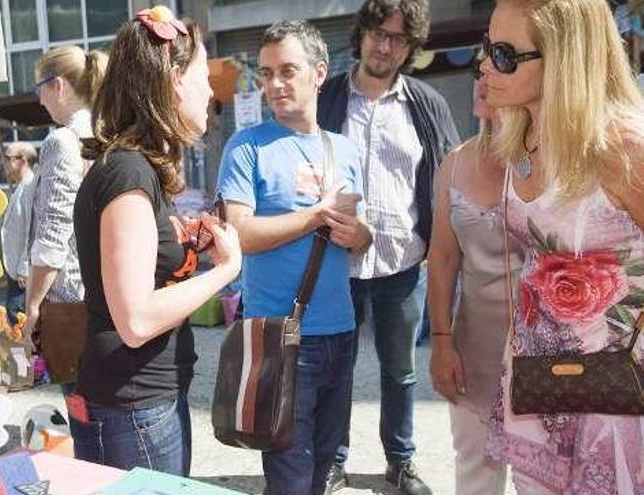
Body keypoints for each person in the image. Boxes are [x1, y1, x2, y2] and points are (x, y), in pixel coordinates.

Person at [480, 1, 644, 493]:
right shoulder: (520, 137)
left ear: (566, 57)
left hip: (613, 394)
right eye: (487, 49)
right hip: (538, 382)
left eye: (506, 55)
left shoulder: (621, 146)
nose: (487, 65)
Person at [70, 6, 242, 476]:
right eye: (203, 75)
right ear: (174, 80)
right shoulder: (129, 171)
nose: (210, 90)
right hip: (133, 408)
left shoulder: (134, 169)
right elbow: (137, 319)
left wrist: (185, 244)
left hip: (139, 405)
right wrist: (225, 271)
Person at [219, 20, 372, 495]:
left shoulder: (342, 149)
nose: (275, 84)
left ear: (319, 72)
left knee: (325, 469)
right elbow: (238, 234)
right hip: (281, 337)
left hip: (341, 331)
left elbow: (357, 234)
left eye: (287, 70)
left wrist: (361, 235)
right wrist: (315, 216)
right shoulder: (247, 146)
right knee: (289, 478)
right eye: (266, 74)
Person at [317, 1, 459, 493]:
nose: (385, 45)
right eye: (378, 33)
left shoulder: (427, 104)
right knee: (335, 370)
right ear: (361, 35)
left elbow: (448, 183)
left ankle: (401, 461)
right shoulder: (326, 98)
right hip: (338, 266)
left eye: (398, 38)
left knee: (400, 373)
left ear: (411, 47)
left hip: (402, 267)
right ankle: (332, 460)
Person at [427, 73, 520, 495]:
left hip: (545, 346)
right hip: (472, 346)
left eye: (499, 71)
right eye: (480, 71)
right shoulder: (455, 163)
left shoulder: (556, 161)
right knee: (475, 469)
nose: (483, 81)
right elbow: (442, 257)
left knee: (545, 475)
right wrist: (442, 342)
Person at [22, 45, 107, 391]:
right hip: (109, 297)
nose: (40, 101)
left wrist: (32, 306)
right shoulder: (108, 132)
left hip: (72, 304)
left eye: (38, 89)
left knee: (84, 414)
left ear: (58, 85)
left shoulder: (62, 141)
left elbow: (54, 235)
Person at [0, 141, 37, 325]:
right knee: (15, 321)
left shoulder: (29, 187)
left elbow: (31, 230)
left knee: (19, 324)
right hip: (16, 272)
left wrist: (24, 267)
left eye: (8, 158)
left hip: (22, 276)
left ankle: (24, 355)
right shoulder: (22, 186)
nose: (3, 163)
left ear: (22, 161)